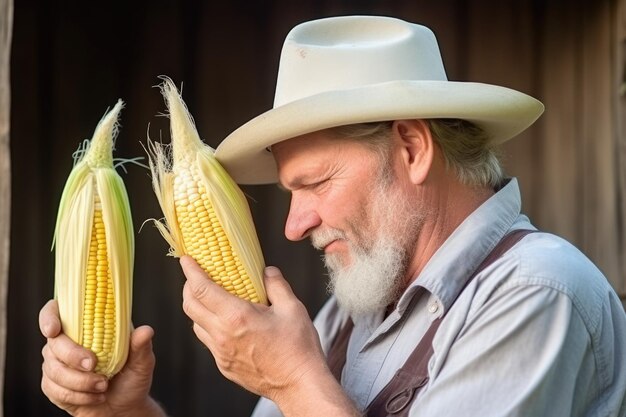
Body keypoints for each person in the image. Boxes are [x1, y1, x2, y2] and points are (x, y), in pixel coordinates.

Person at [40, 15, 626, 417]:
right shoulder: (350, 314)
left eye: (316, 182)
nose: (293, 226)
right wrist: (125, 412)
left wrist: (294, 382)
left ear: (413, 149)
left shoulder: (539, 294)